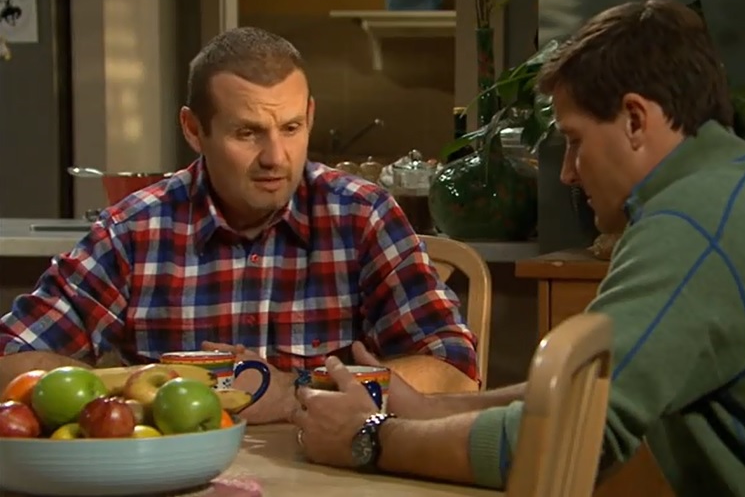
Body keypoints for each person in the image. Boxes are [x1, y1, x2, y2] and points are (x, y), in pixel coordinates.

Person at [290, 0, 745, 495]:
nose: (569, 173)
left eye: (574, 140)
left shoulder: (690, 227)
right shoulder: (737, 182)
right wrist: (433, 410)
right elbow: (590, 390)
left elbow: (559, 436)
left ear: (634, 119)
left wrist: (371, 438)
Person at [0, 27, 479, 424]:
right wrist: (148, 392)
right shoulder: (134, 229)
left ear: (310, 115)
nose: (275, 158)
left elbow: (454, 372)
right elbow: (11, 358)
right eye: (247, 132)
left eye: (291, 128)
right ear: (194, 130)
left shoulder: (361, 215)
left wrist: (296, 391)